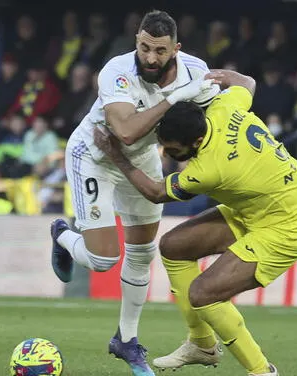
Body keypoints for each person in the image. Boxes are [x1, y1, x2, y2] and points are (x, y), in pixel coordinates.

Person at [93, 70, 297, 376]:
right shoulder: (222, 108)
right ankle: (201, 344)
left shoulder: (210, 168)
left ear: (197, 141)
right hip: (261, 207)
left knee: (203, 294)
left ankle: (262, 371)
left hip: (289, 225)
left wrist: (117, 155)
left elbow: (156, 192)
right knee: (174, 247)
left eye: (173, 150)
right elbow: (247, 83)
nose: (167, 153)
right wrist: (219, 75)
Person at [49, 10, 219, 376]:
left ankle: (126, 340)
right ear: (137, 43)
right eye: (144, 48)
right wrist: (175, 99)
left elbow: (210, 117)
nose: (150, 58)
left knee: (142, 253)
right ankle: (62, 235)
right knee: (104, 260)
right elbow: (125, 131)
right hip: (94, 156)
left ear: (176, 49)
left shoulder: (195, 70)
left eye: (159, 51)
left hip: (142, 160)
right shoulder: (116, 71)